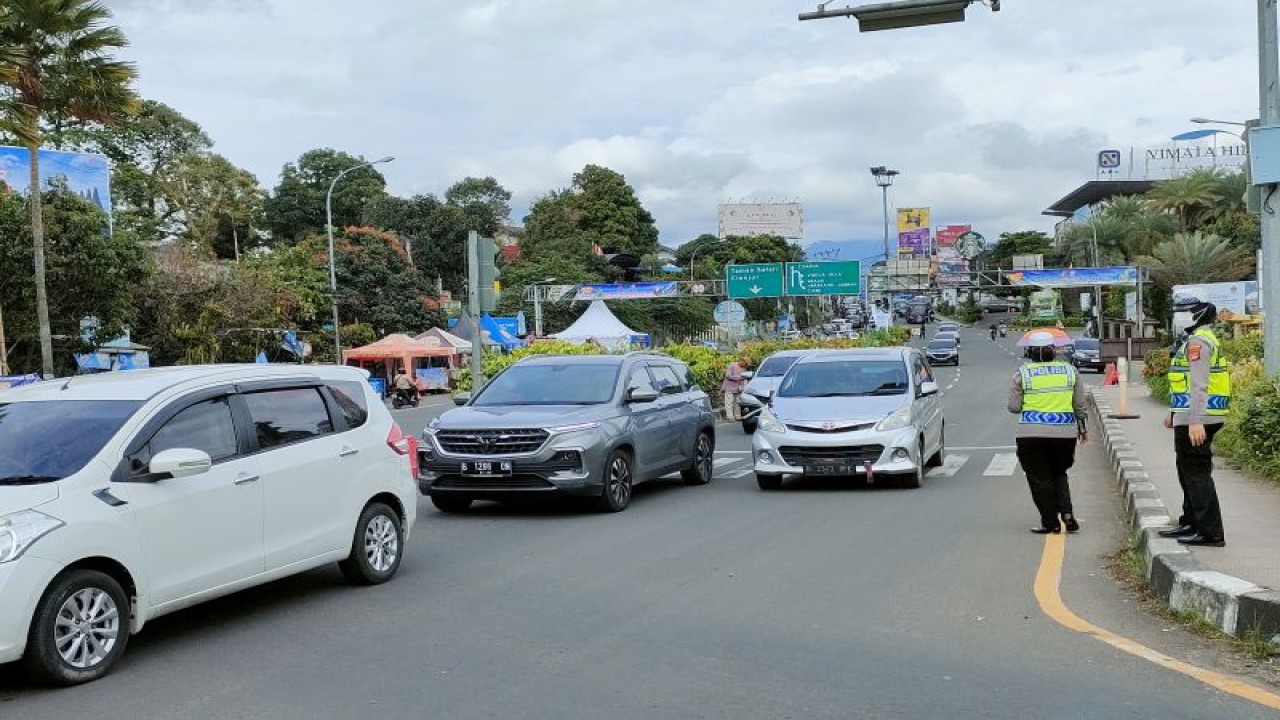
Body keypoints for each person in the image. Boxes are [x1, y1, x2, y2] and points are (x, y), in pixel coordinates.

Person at [1157, 298, 1231, 547]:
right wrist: (1175, 412)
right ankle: (1190, 522)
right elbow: (1184, 381)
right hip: (1188, 415)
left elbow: (1200, 384)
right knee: (1186, 471)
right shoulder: (1195, 339)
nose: (1178, 317)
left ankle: (1210, 532)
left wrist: (1195, 421)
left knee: (1197, 474)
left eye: (1182, 313)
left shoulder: (1199, 342)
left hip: (1200, 417)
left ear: (1196, 315)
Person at [1007, 331, 1088, 534]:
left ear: (1031, 352)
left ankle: (1050, 522)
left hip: (1031, 434)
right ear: (1054, 351)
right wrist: (1083, 429)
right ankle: (1067, 514)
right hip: (1065, 434)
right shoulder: (1070, 371)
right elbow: (1080, 405)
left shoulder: (1022, 373)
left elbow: (1014, 407)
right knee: (1059, 472)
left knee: (1039, 478)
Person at [722, 357, 751, 422]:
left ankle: (737, 416)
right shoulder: (732, 365)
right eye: (745, 364)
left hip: (739, 388)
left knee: (737, 403)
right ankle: (730, 417)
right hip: (729, 387)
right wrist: (739, 378)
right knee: (729, 403)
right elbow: (728, 375)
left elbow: (744, 378)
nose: (745, 365)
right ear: (742, 361)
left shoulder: (744, 369)